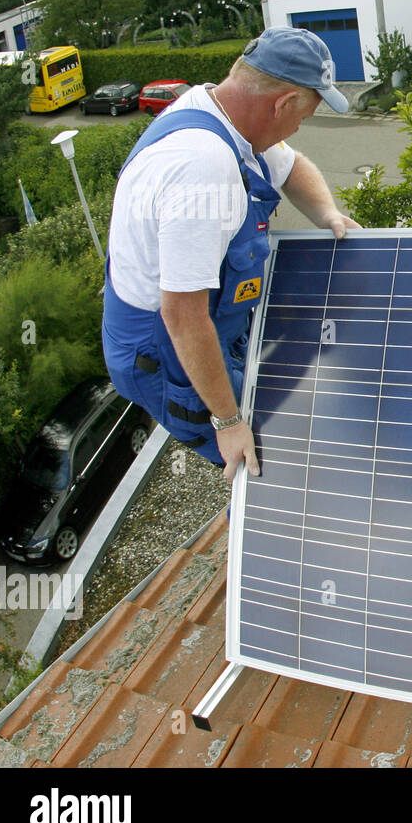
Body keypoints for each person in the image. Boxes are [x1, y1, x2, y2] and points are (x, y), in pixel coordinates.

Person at [102, 26, 361, 483]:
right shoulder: (202, 169)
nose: (301, 127)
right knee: (267, 455)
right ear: (281, 104)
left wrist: (326, 212)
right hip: (161, 349)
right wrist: (227, 421)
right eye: (305, 114)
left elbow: (291, 164)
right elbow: (181, 314)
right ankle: (267, 516)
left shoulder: (218, 108)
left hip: (200, 320)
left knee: (276, 413)